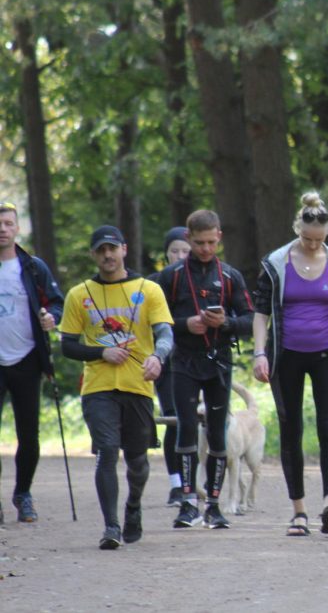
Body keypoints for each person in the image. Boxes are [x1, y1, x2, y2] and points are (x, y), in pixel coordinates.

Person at [253, 193, 328, 536]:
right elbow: (260, 313)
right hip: (286, 354)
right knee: (291, 430)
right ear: (296, 230)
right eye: (307, 239)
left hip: (327, 353)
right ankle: (299, 512)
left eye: (320, 239)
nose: (314, 245)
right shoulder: (276, 263)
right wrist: (260, 353)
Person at [60, 225, 173, 549]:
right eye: (101, 250)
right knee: (107, 450)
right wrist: (101, 352)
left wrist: (158, 357)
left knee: (137, 460)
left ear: (124, 249)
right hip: (97, 387)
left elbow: (165, 332)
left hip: (138, 384)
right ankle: (111, 526)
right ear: (94, 255)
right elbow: (67, 345)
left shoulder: (148, 289)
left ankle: (133, 506)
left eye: (112, 248)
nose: (107, 255)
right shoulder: (79, 294)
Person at [157, 210, 254, 529]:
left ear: (220, 238)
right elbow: (156, 321)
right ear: (188, 238)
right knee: (185, 429)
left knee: (217, 433)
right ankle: (187, 503)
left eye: (211, 242)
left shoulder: (229, 276)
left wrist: (225, 322)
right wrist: (187, 324)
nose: (205, 249)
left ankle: (213, 505)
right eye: (199, 243)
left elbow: (250, 320)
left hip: (219, 363)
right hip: (182, 363)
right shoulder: (170, 277)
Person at [0, 201, 64, 524]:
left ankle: (23, 493)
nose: (3, 229)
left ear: (17, 228)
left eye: (8, 224)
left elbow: (56, 302)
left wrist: (51, 317)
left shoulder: (33, 267)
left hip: (27, 359)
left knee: (30, 434)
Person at [148, 226, 190, 507]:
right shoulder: (153, 284)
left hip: (198, 362)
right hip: (165, 362)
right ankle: (177, 483)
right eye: (174, 250)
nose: (180, 256)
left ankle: (195, 483)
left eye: (185, 251)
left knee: (197, 421)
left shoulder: (204, 280)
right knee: (173, 418)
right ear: (166, 253)